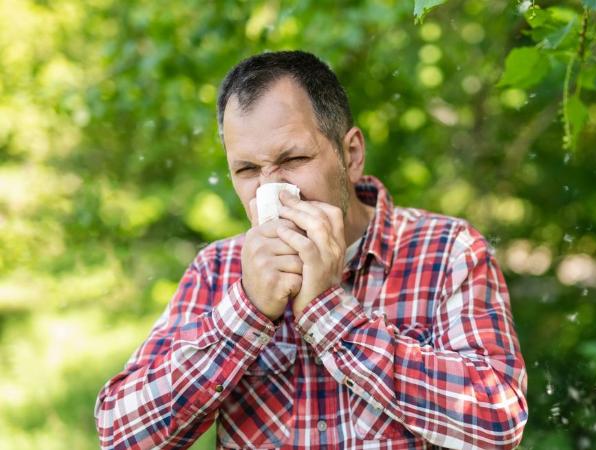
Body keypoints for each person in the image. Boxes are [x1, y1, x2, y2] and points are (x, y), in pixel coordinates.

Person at [95, 50, 527, 450]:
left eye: (294, 159)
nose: (272, 190)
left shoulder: (448, 251)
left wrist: (330, 314)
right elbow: (120, 434)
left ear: (351, 153)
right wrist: (246, 310)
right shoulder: (218, 268)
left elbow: (498, 421)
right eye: (247, 169)